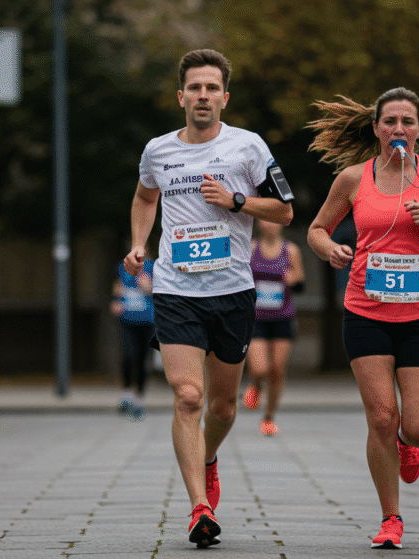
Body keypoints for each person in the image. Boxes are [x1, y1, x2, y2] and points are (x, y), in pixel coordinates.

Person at [123, 49, 294, 548]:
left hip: (233, 292)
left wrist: (237, 200)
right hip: (176, 289)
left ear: (224, 96)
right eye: (194, 88)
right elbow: (144, 197)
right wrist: (139, 244)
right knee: (188, 396)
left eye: (211, 88)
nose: (203, 95)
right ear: (181, 97)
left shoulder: (249, 147)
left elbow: (285, 212)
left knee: (221, 407)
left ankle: (210, 458)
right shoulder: (158, 151)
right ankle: (199, 507)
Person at [305, 88, 419, 549]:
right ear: (377, 128)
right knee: (381, 417)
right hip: (365, 310)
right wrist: (331, 250)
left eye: (407, 121)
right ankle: (391, 518)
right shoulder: (352, 179)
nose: (398, 130)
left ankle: (407, 442)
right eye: (389, 122)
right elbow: (316, 229)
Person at [242, 218, 305, 435]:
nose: (270, 225)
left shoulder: (291, 250)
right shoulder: (251, 248)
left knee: (277, 370)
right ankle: (256, 385)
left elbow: (300, 279)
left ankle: (268, 417)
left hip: (282, 316)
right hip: (256, 316)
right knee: (260, 368)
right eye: (266, 221)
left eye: (274, 221)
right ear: (260, 223)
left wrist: (293, 278)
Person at [110, 254, 155, 421]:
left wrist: (148, 288)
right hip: (127, 320)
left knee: (143, 361)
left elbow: (161, 291)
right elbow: (117, 286)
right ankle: (127, 394)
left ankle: (139, 398)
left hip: (147, 321)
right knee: (128, 357)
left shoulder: (152, 267)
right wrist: (115, 300)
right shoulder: (122, 267)